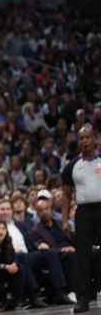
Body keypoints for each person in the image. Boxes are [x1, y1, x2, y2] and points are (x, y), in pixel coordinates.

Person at [60, 124, 101, 313]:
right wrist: (65, 219)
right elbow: (66, 195)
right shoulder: (72, 166)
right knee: (82, 256)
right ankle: (83, 298)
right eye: (81, 138)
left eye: (87, 137)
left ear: (95, 139)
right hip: (83, 212)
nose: (84, 141)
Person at [0, 221, 45, 310]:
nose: (1, 231)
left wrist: (14, 264)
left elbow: (14, 256)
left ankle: (18, 300)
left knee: (20, 269)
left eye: (3, 229)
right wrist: (4, 266)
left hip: (6, 268)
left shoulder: (8, 239)